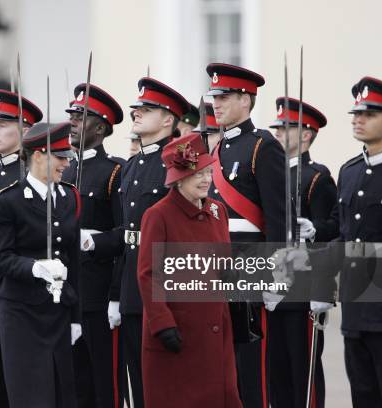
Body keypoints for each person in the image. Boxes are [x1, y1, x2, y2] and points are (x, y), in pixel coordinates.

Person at [312, 76, 382, 408]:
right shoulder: (349, 172)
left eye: (369, 114)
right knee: (364, 397)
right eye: (356, 114)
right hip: (356, 310)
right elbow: (345, 236)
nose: (358, 120)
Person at [137, 132, 242, 408]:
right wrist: (162, 323)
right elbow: (149, 275)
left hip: (216, 332)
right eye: (198, 174)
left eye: (208, 172)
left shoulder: (218, 211)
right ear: (179, 179)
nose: (206, 179)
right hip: (179, 335)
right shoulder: (158, 215)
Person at [206, 63, 287, 408]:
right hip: (218, 268)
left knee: (252, 370)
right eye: (214, 97)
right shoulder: (218, 149)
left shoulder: (262, 146)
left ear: (245, 99)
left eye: (224, 97)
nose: (216, 104)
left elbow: (278, 217)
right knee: (222, 368)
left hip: (252, 269)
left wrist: (276, 276)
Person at [0, 121, 81, 407]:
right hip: (22, 314)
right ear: (38, 154)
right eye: (59, 157)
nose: (65, 163)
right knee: (31, 396)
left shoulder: (68, 196)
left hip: (59, 312)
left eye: (67, 157)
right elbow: (0, 258)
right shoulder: (8, 200)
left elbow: (73, 259)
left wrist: (76, 316)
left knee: (63, 394)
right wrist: (35, 267)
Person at [113, 77, 190, 407]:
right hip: (133, 290)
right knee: (140, 387)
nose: (137, 114)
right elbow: (125, 235)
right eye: (137, 109)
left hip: (166, 290)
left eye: (147, 110)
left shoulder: (179, 163)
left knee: (168, 388)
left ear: (169, 119)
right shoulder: (131, 166)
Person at [268, 97, 338, 408]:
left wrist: (314, 229)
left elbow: (333, 228)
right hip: (272, 286)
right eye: (278, 128)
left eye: (286, 128)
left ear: (306, 134)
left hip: (303, 288)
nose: (278, 134)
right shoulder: (269, 174)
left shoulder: (316, 177)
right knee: (275, 374)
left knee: (303, 373)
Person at [0, 88, 42, 408]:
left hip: (19, 283)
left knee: (23, 376)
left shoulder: (33, 174)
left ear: (25, 130)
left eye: (2, 124)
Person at [63, 83, 125, 408]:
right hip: (66, 292)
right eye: (71, 115)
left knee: (105, 385)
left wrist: (92, 241)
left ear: (100, 127)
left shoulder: (115, 171)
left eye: (81, 116)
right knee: (73, 385)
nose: (72, 121)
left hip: (99, 293)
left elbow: (126, 234)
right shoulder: (64, 169)